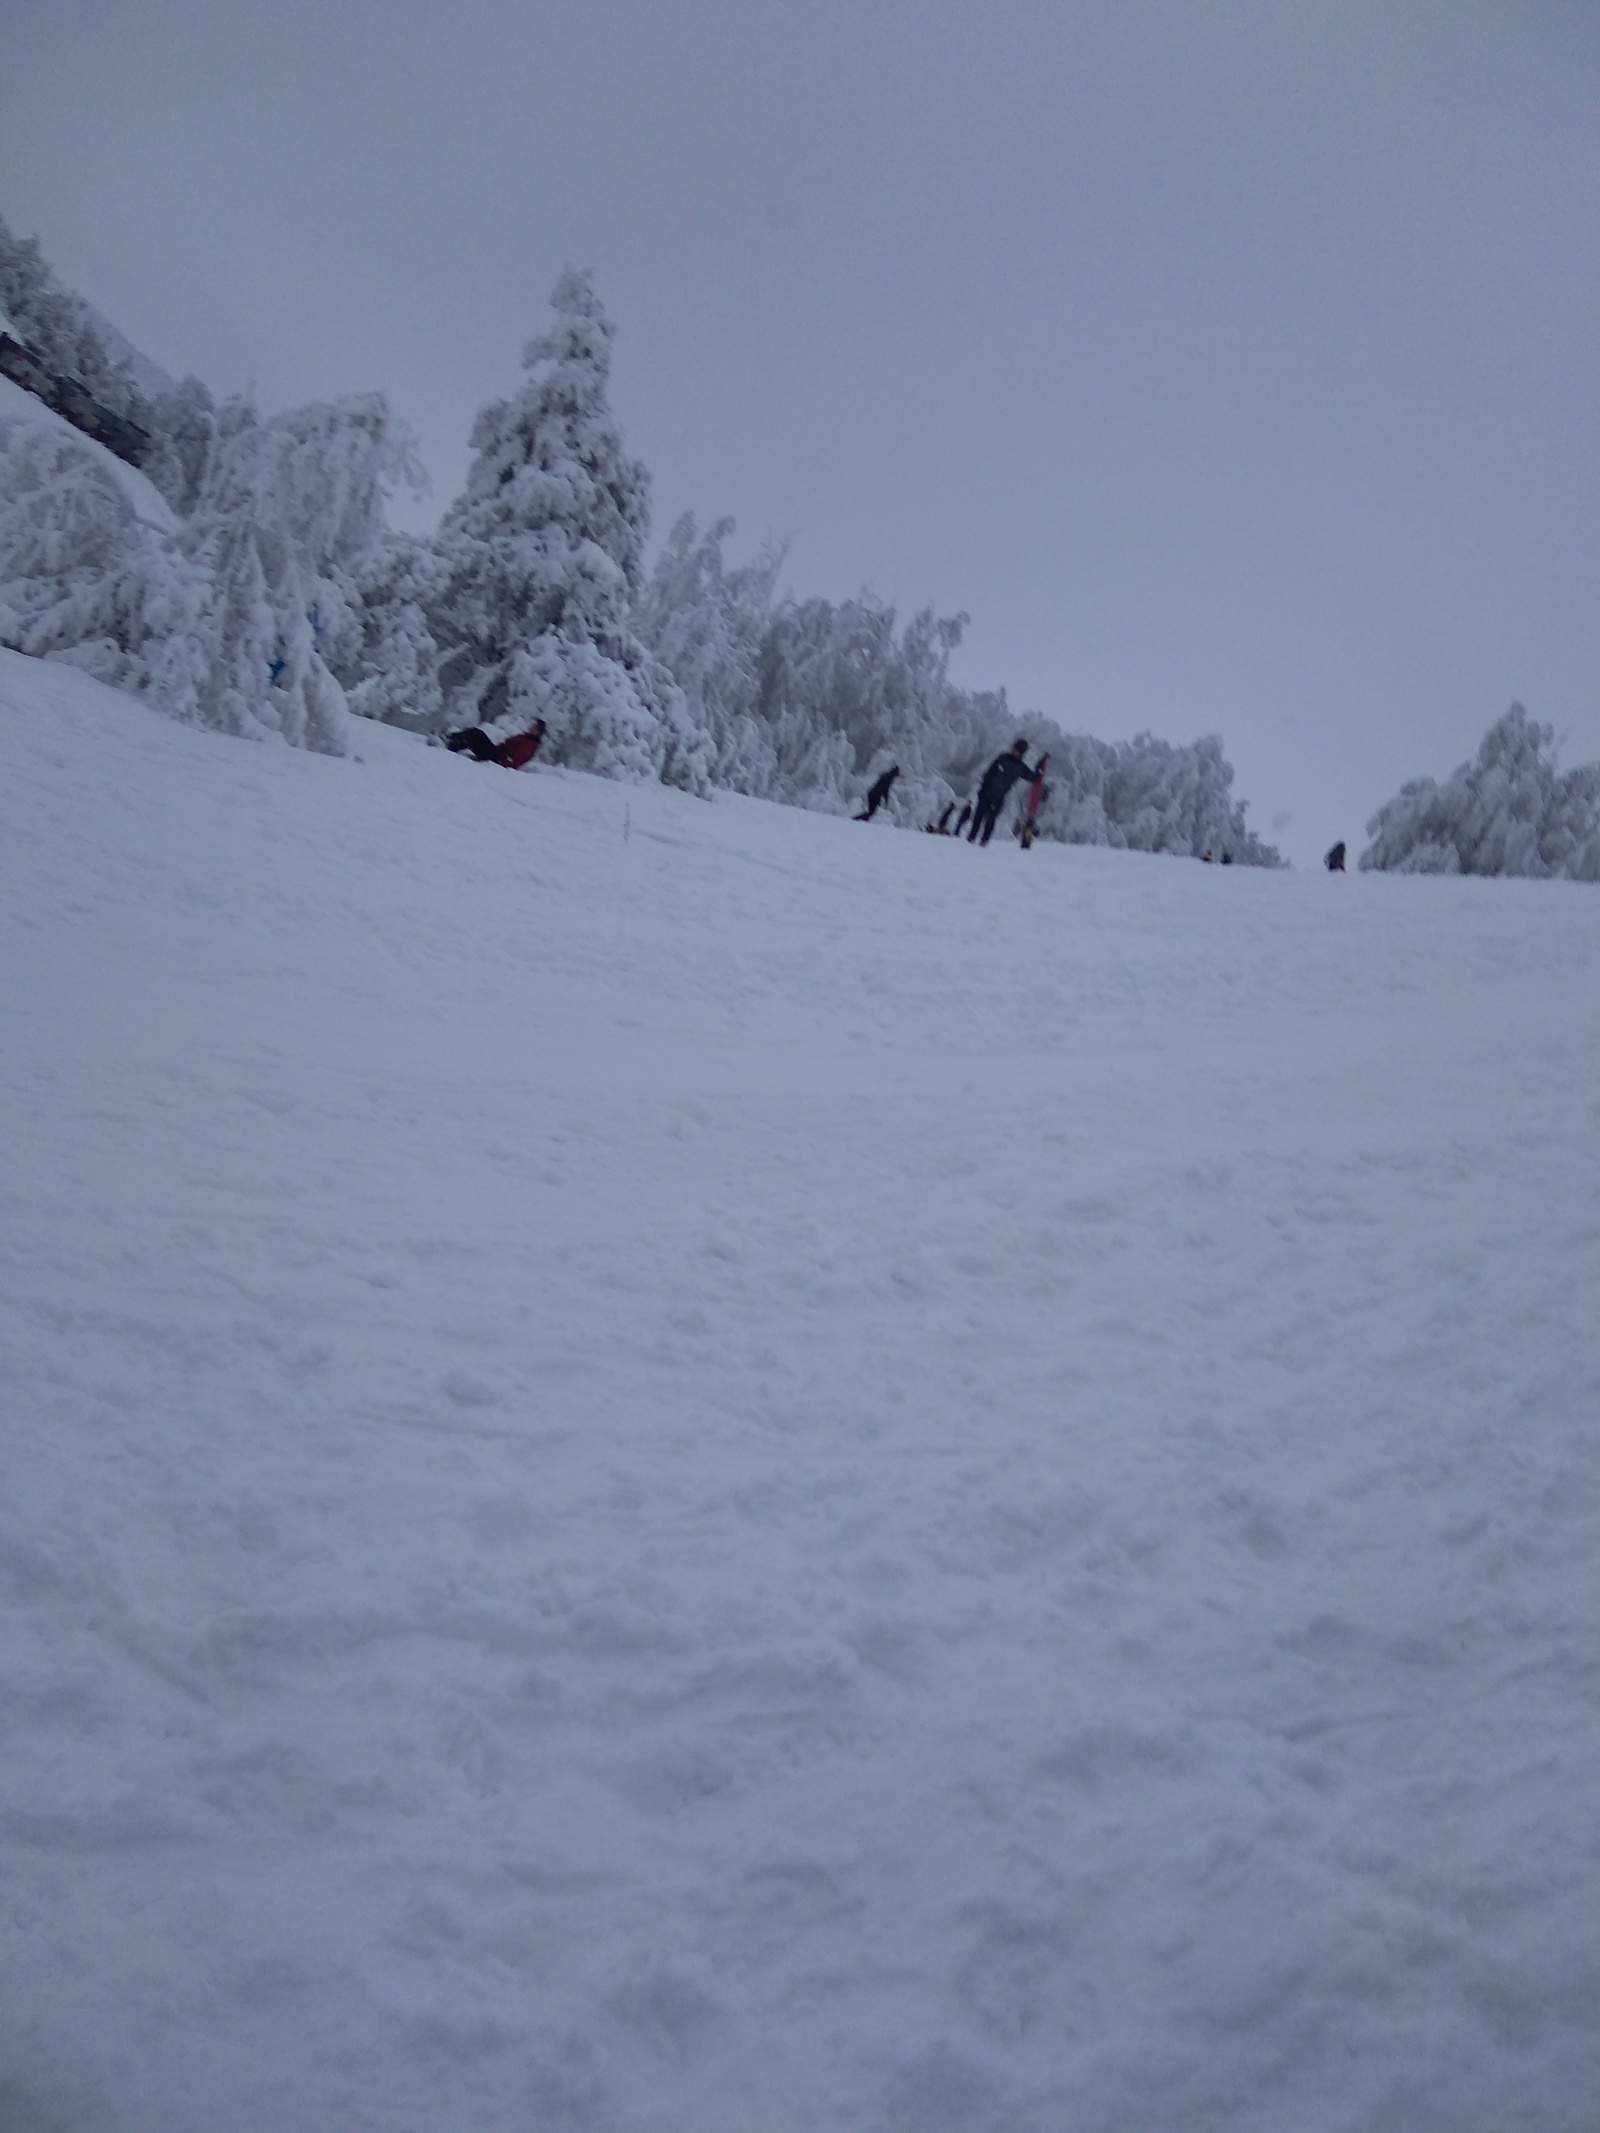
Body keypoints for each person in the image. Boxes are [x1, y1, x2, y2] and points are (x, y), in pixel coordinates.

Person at [967, 739, 1036, 845]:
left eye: (1018, 751)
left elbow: (1033, 777)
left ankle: (984, 841)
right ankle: (971, 838)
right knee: (978, 817)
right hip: (986, 793)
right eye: (1014, 749)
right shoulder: (1003, 758)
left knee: (990, 821)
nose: (1015, 752)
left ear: (1022, 753)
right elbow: (990, 772)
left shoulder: (1021, 767)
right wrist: (982, 788)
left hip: (998, 798)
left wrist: (1041, 767)